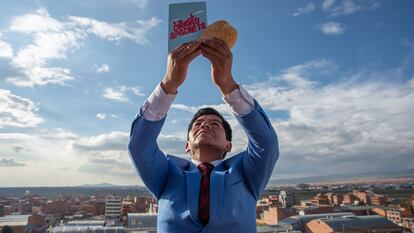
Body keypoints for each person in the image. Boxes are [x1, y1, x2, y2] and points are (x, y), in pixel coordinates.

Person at [128, 37, 279, 233]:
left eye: (215, 124)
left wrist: (228, 86)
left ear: (228, 145)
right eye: (198, 124)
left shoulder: (246, 173)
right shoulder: (165, 174)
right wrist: (168, 84)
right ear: (187, 145)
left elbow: (266, 142)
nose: (205, 125)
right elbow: (139, 146)